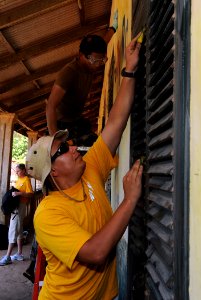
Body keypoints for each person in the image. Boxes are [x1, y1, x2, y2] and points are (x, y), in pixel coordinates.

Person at [26, 34, 143, 299]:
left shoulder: (88, 169)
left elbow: (115, 123)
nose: (72, 147)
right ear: (53, 172)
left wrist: (130, 70)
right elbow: (96, 252)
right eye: (62, 149)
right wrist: (129, 200)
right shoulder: (48, 214)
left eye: (68, 143)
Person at [46, 11, 118, 146]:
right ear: (81, 55)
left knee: (92, 139)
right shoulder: (69, 72)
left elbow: (105, 40)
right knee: (84, 144)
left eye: (101, 60)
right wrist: (54, 139)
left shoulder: (92, 60)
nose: (97, 64)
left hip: (76, 120)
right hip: (62, 124)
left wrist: (113, 28)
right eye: (94, 60)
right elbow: (50, 106)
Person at [0, 164, 33, 266]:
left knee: (13, 230)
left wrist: (19, 194)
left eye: (18, 171)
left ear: (23, 170)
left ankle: (8, 256)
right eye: (16, 171)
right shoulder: (19, 180)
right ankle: (19, 253)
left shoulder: (26, 180)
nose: (17, 173)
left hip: (21, 206)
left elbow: (31, 194)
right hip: (16, 206)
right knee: (19, 229)